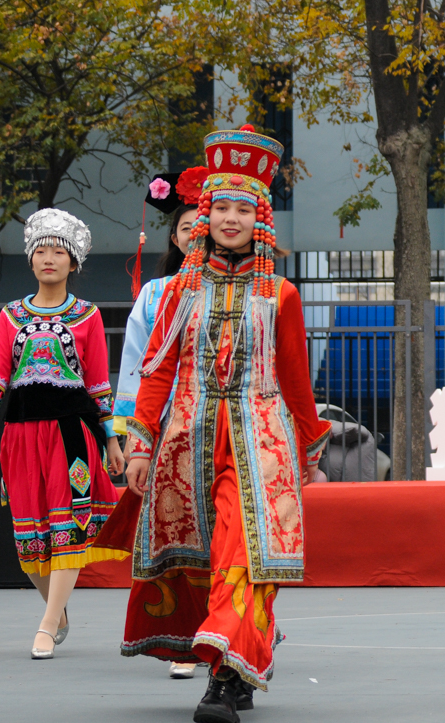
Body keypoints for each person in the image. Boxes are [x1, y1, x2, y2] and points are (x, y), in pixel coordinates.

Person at [120, 125, 331, 723]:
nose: (230, 218)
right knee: (205, 560)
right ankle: (238, 668)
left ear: (260, 219)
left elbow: (295, 379)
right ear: (204, 215)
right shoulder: (179, 291)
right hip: (186, 442)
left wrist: (309, 446)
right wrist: (139, 443)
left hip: (258, 442)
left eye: (244, 208)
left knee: (245, 552)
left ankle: (223, 679)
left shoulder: (281, 294)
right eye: (221, 207)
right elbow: (156, 371)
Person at [0, 209, 125, 659]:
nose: (49, 258)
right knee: (28, 537)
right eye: (41, 250)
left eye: (59, 251)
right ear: (31, 260)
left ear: (73, 262)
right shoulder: (11, 315)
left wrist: (111, 439)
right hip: (18, 434)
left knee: (65, 530)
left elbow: (98, 382)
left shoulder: (87, 316)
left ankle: (45, 625)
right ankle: (57, 613)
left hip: (70, 435)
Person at [114, 167, 204, 680]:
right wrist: (133, 436)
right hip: (166, 425)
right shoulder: (155, 294)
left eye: (202, 224)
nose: (195, 232)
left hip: (222, 422)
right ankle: (184, 635)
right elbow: (135, 365)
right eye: (186, 225)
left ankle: (231, 625)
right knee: (172, 530)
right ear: (175, 234)